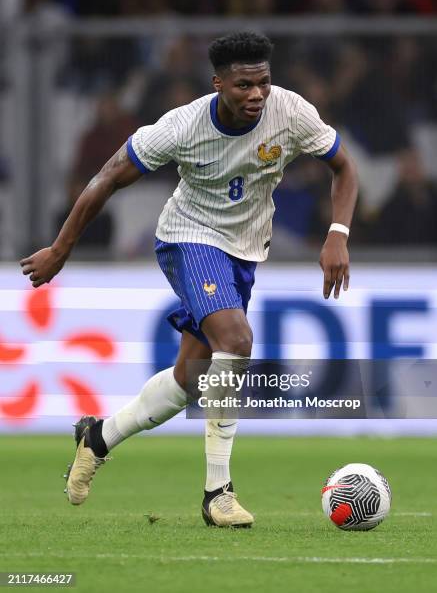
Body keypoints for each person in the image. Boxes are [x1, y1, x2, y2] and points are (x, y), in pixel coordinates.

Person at [20, 32, 358, 527]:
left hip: (244, 251)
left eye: (263, 83)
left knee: (190, 380)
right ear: (218, 83)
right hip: (188, 238)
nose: (257, 95)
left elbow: (344, 168)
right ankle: (217, 493)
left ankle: (97, 438)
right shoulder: (181, 127)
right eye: (244, 85)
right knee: (237, 340)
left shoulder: (292, 112)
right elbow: (108, 177)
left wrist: (337, 233)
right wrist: (61, 248)